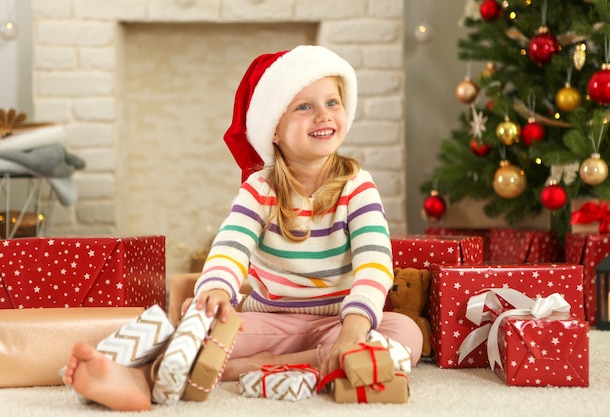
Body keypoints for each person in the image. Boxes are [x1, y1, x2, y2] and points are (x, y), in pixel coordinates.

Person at [63, 45, 423, 411]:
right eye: (304, 107)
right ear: (274, 132)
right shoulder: (260, 190)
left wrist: (354, 329)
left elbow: (374, 264)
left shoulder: (357, 186)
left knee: (406, 334)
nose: (323, 115)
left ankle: (255, 367)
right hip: (269, 319)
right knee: (201, 324)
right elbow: (230, 248)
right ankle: (139, 376)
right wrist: (218, 291)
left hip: (340, 321)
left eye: (332, 102)